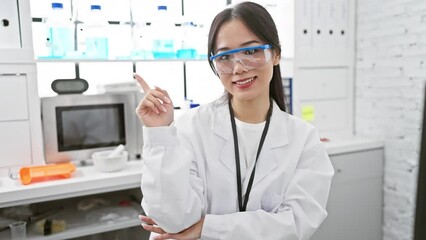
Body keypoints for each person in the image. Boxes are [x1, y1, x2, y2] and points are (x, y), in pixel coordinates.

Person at [134, 1, 334, 239]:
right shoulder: (190, 128)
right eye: (225, 57)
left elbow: (297, 224)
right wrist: (159, 134)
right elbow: (173, 220)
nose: (238, 68)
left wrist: (206, 228)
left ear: (276, 54)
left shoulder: (304, 139)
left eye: (250, 51)